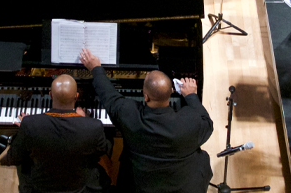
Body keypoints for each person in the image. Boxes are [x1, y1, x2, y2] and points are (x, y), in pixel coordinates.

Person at [79, 48, 213, 193]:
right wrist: (191, 95)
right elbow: (207, 123)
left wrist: (96, 69)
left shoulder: (129, 115)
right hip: (181, 185)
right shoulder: (189, 121)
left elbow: (110, 97)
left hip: (140, 186)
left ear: (146, 97)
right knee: (201, 156)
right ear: (171, 92)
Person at [0, 74, 112, 192]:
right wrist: (84, 121)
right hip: (80, 188)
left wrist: (27, 129)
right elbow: (102, 149)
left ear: (50, 95)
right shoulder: (93, 126)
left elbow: (13, 158)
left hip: (40, 189)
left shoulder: (29, 124)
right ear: (76, 96)